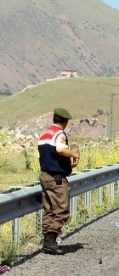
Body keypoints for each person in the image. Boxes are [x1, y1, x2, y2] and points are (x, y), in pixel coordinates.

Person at [38, 108, 80, 255]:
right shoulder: (59, 134)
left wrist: (67, 165)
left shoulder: (45, 133)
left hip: (45, 176)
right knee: (62, 210)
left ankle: (47, 242)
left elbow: (50, 156)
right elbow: (60, 150)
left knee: (49, 209)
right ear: (65, 121)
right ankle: (51, 241)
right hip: (56, 178)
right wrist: (75, 154)